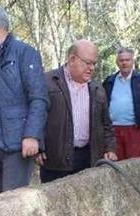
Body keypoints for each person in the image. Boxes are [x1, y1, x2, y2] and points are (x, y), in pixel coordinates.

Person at [0, 4, 48, 193]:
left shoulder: (24, 52)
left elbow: (39, 98)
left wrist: (32, 135)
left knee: (12, 205)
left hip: (17, 142)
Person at [39, 40, 117, 183]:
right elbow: (36, 117)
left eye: (94, 63)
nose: (92, 68)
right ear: (72, 59)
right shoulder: (47, 82)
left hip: (88, 159)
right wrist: (38, 146)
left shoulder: (97, 88)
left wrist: (110, 149)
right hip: (55, 161)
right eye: (87, 63)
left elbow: (106, 124)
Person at [102, 48, 140, 159]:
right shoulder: (109, 81)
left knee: (135, 164)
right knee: (114, 164)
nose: (124, 63)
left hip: (135, 130)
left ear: (132, 61)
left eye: (127, 60)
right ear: (117, 62)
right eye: (121, 60)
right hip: (112, 131)